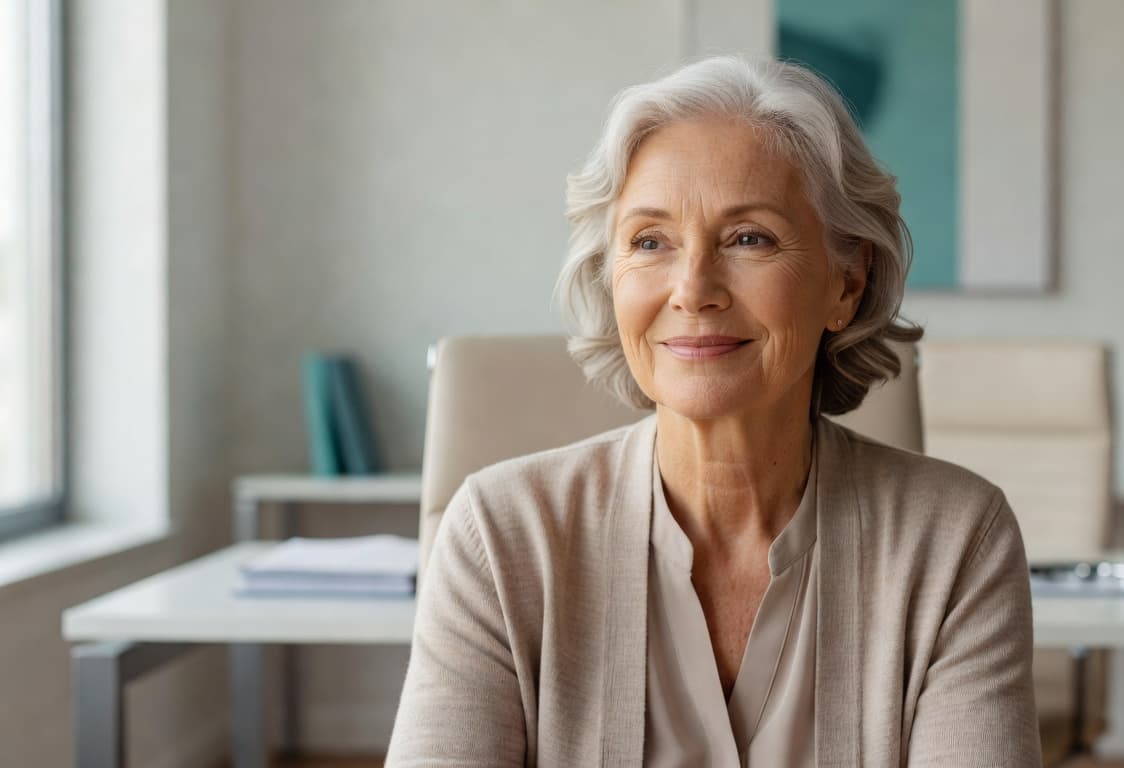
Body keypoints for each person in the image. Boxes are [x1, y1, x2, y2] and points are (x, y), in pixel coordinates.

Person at [386, 54, 1040, 767]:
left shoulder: (956, 542)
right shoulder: (500, 535)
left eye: (748, 238)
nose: (693, 289)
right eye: (649, 242)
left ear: (846, 284)